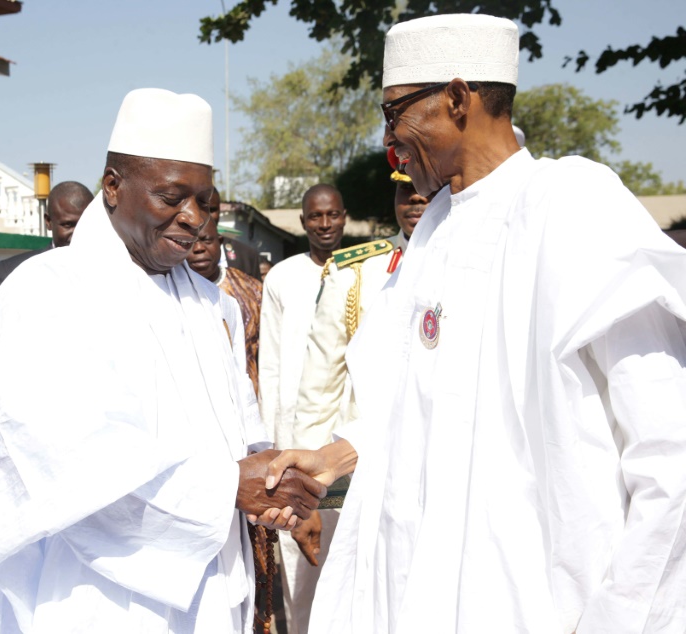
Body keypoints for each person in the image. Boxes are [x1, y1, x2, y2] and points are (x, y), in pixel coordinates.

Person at [266, 14, 686, 634]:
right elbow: (417, 408)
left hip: (533, 606)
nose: (392, 144)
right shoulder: (433, 232)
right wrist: (331, 459)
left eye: (394, 114)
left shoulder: (574, 205)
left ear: (458, 99)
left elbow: (668, 460)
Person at [0, 88, 325, 634]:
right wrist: (228, 487)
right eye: (171, 197)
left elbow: (243, 439)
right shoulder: (45, 294)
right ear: (113, 187)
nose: (193, 218)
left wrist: (278, 481)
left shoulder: (214, 304)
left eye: (204, 201)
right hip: (97, 597)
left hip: (216, 586)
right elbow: (65, 462)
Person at [282, 157, 430, 633]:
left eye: (427, 188)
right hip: (366, 479)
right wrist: (310, 497)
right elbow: (319, 393)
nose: (417, 200)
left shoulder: (492, 263)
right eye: (405, 191)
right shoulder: (357, 273)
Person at [258, 183, 346, 634]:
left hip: (344, 443)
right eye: (315, 217)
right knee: (298, 567)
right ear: (303, 221)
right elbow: (269, 366)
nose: (325, 225)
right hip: (292, 442)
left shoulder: (362, 272)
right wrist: (276, 446)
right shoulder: (282, 277)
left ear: (344, 217)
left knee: (346, 565)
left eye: (332, 216)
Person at [188, 216, 263, 394]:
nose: (199, 248)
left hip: (247, 397)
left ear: (219, 242)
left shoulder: (253, 290)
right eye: (190, 242)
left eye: (206, 240)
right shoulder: (170, 291)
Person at [0, 181, 93, 305]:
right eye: (68, 225)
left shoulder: (110, 268)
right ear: (48, 222)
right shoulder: (12, 271)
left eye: (85, 223)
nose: (77, 233)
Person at [210, 188, 262, 281]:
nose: (206, 216)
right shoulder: (178, 256)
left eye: (212, 210)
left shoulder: (246, 255)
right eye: (201, 208)